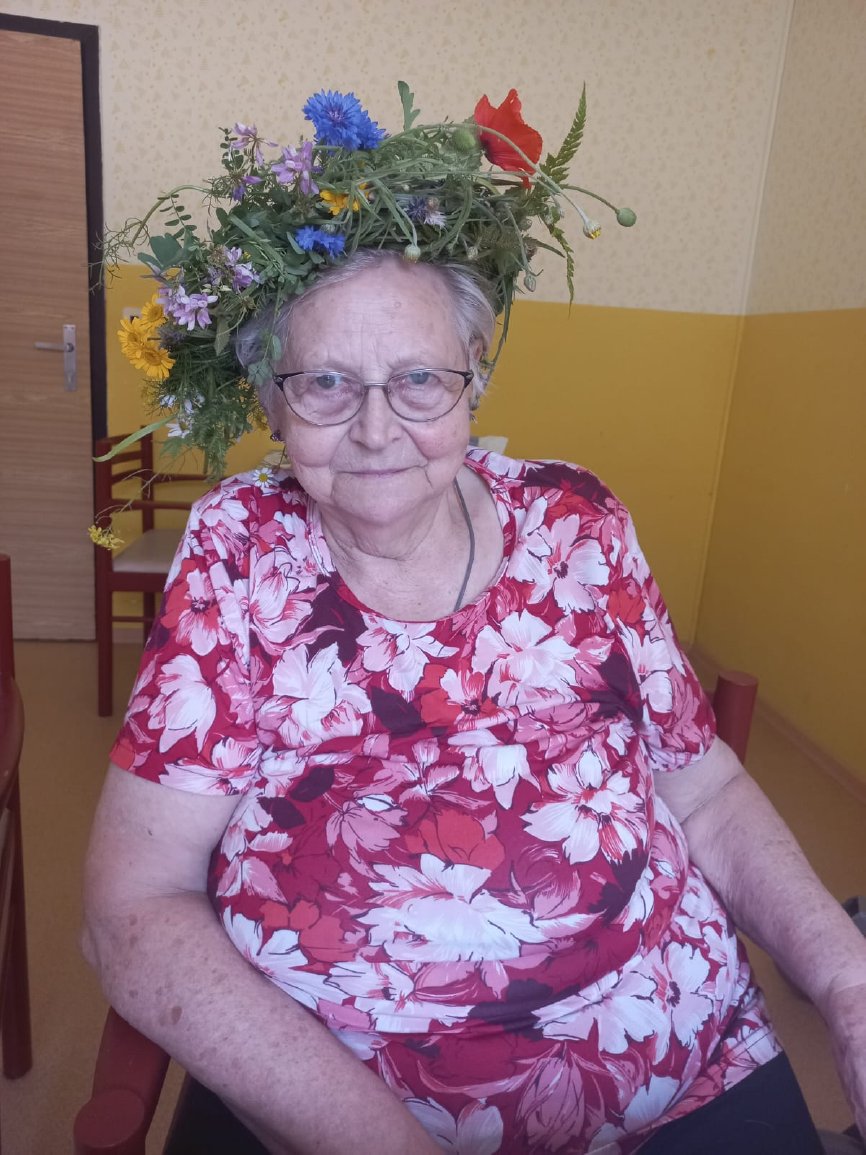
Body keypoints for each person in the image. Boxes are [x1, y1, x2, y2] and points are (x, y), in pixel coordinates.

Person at [83, 86, 866, 1154]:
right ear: (270, 402)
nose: (376, 429)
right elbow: (133, 906)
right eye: (324, 384)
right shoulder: (240, 549)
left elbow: (706, 787)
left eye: (418, 380)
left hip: (683, 1059)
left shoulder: (576, 518)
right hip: (354, 1109)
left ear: (471, 386)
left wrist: (847, 981)